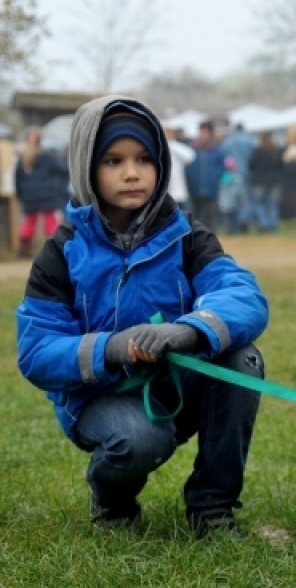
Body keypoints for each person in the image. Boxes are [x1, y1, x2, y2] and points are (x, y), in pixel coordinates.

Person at [15, 95, 268, 537]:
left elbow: (243, 295)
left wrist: (190, 330)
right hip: (99, 398)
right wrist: (108, 349)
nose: (132, 173)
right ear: (86, 166)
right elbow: (35, 351)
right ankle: (111, 498)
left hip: (176, 384)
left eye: (144, 159)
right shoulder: (62, 250)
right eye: (114, 160)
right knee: (140, 439)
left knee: (241, 358)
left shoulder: (187, 235)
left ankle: (212, 505)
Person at [14, 126, 69, 258]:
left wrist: (21, 195)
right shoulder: (47, 156)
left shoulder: (22, 158)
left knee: (29, 222)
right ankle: (56, 248)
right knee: (50, 221)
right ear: (41, 140)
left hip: (29, 195)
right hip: (46, 193)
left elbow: (17, 178)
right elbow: (63, 170)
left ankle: (24, 250)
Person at [186, 120, 222, 229]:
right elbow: (187, 167)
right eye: (202, 131)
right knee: (195, 219)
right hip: (195, 190)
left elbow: (222, 167)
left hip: (212, 190)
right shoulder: (192, 149)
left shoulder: (217, 150)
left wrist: (217, 178)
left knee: (211, 219)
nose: (203, 135)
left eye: (206, 132)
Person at [248, 130, 285, 233]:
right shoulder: (275, 150)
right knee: (272, 204)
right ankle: (272, 225)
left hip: (260, 181)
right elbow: (281, 166)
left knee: (260, 204)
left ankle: (264, 223)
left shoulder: (258, 151)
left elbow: (251, 164)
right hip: (274, 181)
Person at [164, 125, 195, 214]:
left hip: (179, 192)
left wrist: (171, 143)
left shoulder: (175, 147)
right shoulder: (159, 148)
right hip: (165, 192)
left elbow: (190, 156)